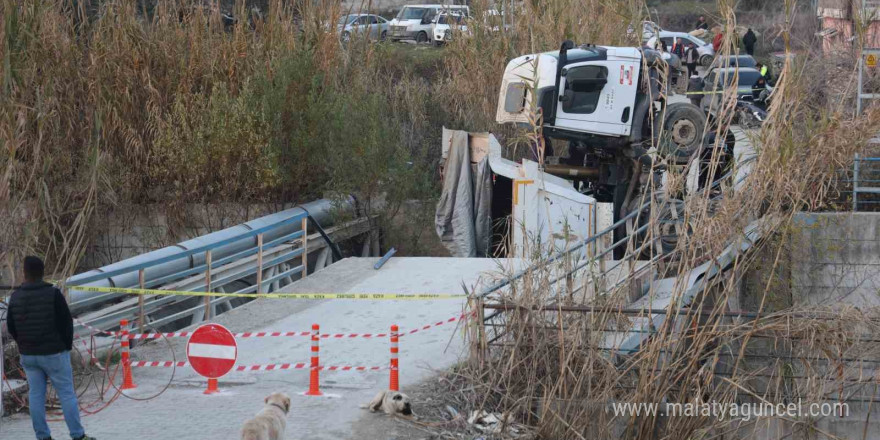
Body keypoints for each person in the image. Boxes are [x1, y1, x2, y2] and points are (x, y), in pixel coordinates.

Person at [7, 256, 96, 440]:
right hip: (54, 353)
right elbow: (66, 323)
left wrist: (23, 345)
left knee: (36, 395)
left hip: (29, 355)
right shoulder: (53, 294)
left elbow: (11, 326)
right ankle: (78, 435)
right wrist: (65, 346)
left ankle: (42, 436)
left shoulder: (15, 297)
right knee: (66, 394)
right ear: (42, 272)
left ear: (25, 273)